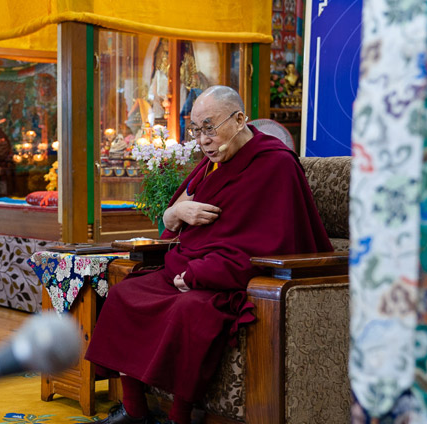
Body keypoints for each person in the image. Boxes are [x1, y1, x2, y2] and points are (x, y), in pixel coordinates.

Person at [84, 86, 333, 424]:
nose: (202, 140)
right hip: (188, 266)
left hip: (229, 279)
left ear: (240, 119)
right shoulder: (213, 164)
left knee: (191, 311)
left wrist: (199, 274)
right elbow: (171, 219)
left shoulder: (275, 165)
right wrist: (176, 215)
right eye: (196, 130)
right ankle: (134, 409)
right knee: (124, 293)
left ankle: (179, 416)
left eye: (209, 128)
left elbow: (271, 243)